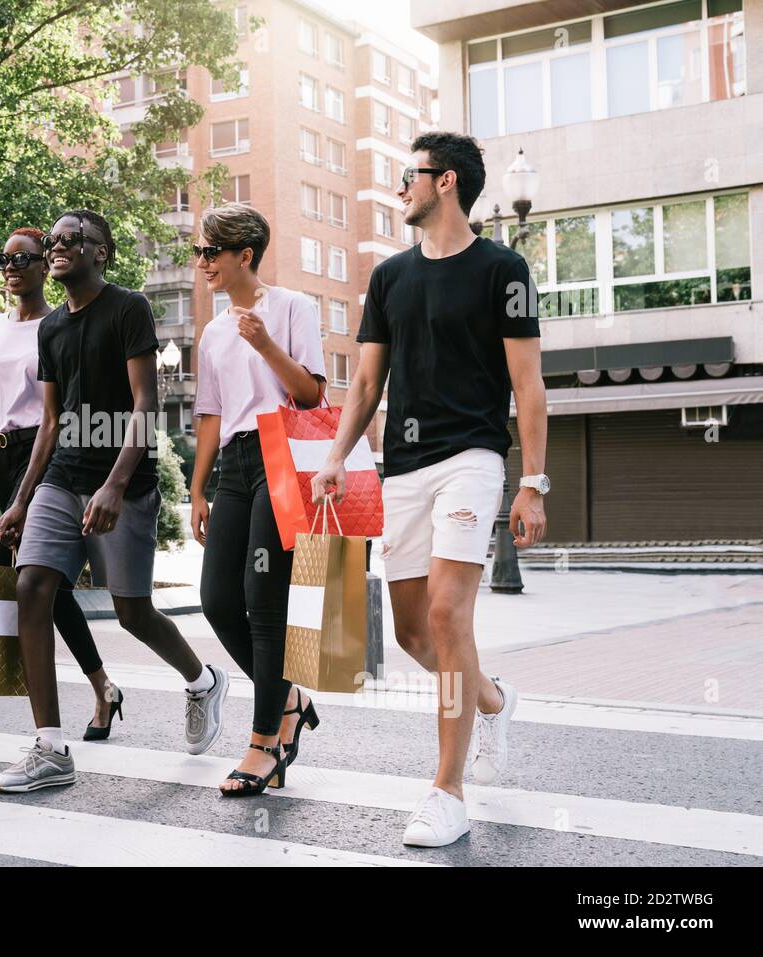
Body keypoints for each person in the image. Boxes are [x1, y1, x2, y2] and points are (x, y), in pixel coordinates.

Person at [311, 132, 548, 847]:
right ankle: (492, 699)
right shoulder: (389, 280)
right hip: (404, 467)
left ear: (445, 182)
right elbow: (366, 383)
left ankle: (446, 789)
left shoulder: (503, 269)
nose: (396, 188)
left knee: (448, 615)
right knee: (413, 629)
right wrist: (335, 456)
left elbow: (528, 385)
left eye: (405, 175)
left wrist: (532, 482)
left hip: (472, 458)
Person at [0, 210, 228, 793]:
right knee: (32, 587)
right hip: (62, 474)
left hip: (124, 478)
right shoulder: (50, 329)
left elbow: (145, 403)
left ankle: (201, 680)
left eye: (75, 238)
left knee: (133, 612)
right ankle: (50, 747)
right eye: (55, 238)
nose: (58, 245)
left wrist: (117, 484)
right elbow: (49, 422)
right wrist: (23, 498)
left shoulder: (128, 309)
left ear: (102, 253)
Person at [0, 227, 123, 773]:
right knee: (40, 587)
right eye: (3, 260)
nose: (11, 268)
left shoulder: (58, 325)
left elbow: (54, 414)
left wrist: (28, 488)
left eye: (23, 259)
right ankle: (103, 686)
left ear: (46, 265)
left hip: (46, 458)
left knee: (21, 584)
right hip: (1, 459)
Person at [189, 203, 326, 796]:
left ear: (244, 255)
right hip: (235, 465)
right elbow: (213, 416)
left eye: (210, 252)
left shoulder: (294, 307)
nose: (201, 263)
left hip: (283, 456)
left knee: (262, 600)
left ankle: (264, 741)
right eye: (199, 252)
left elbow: (313, 396)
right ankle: (289, 695)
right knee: (217, 599)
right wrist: (198, 487)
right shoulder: (213, 332)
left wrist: (267, 344)